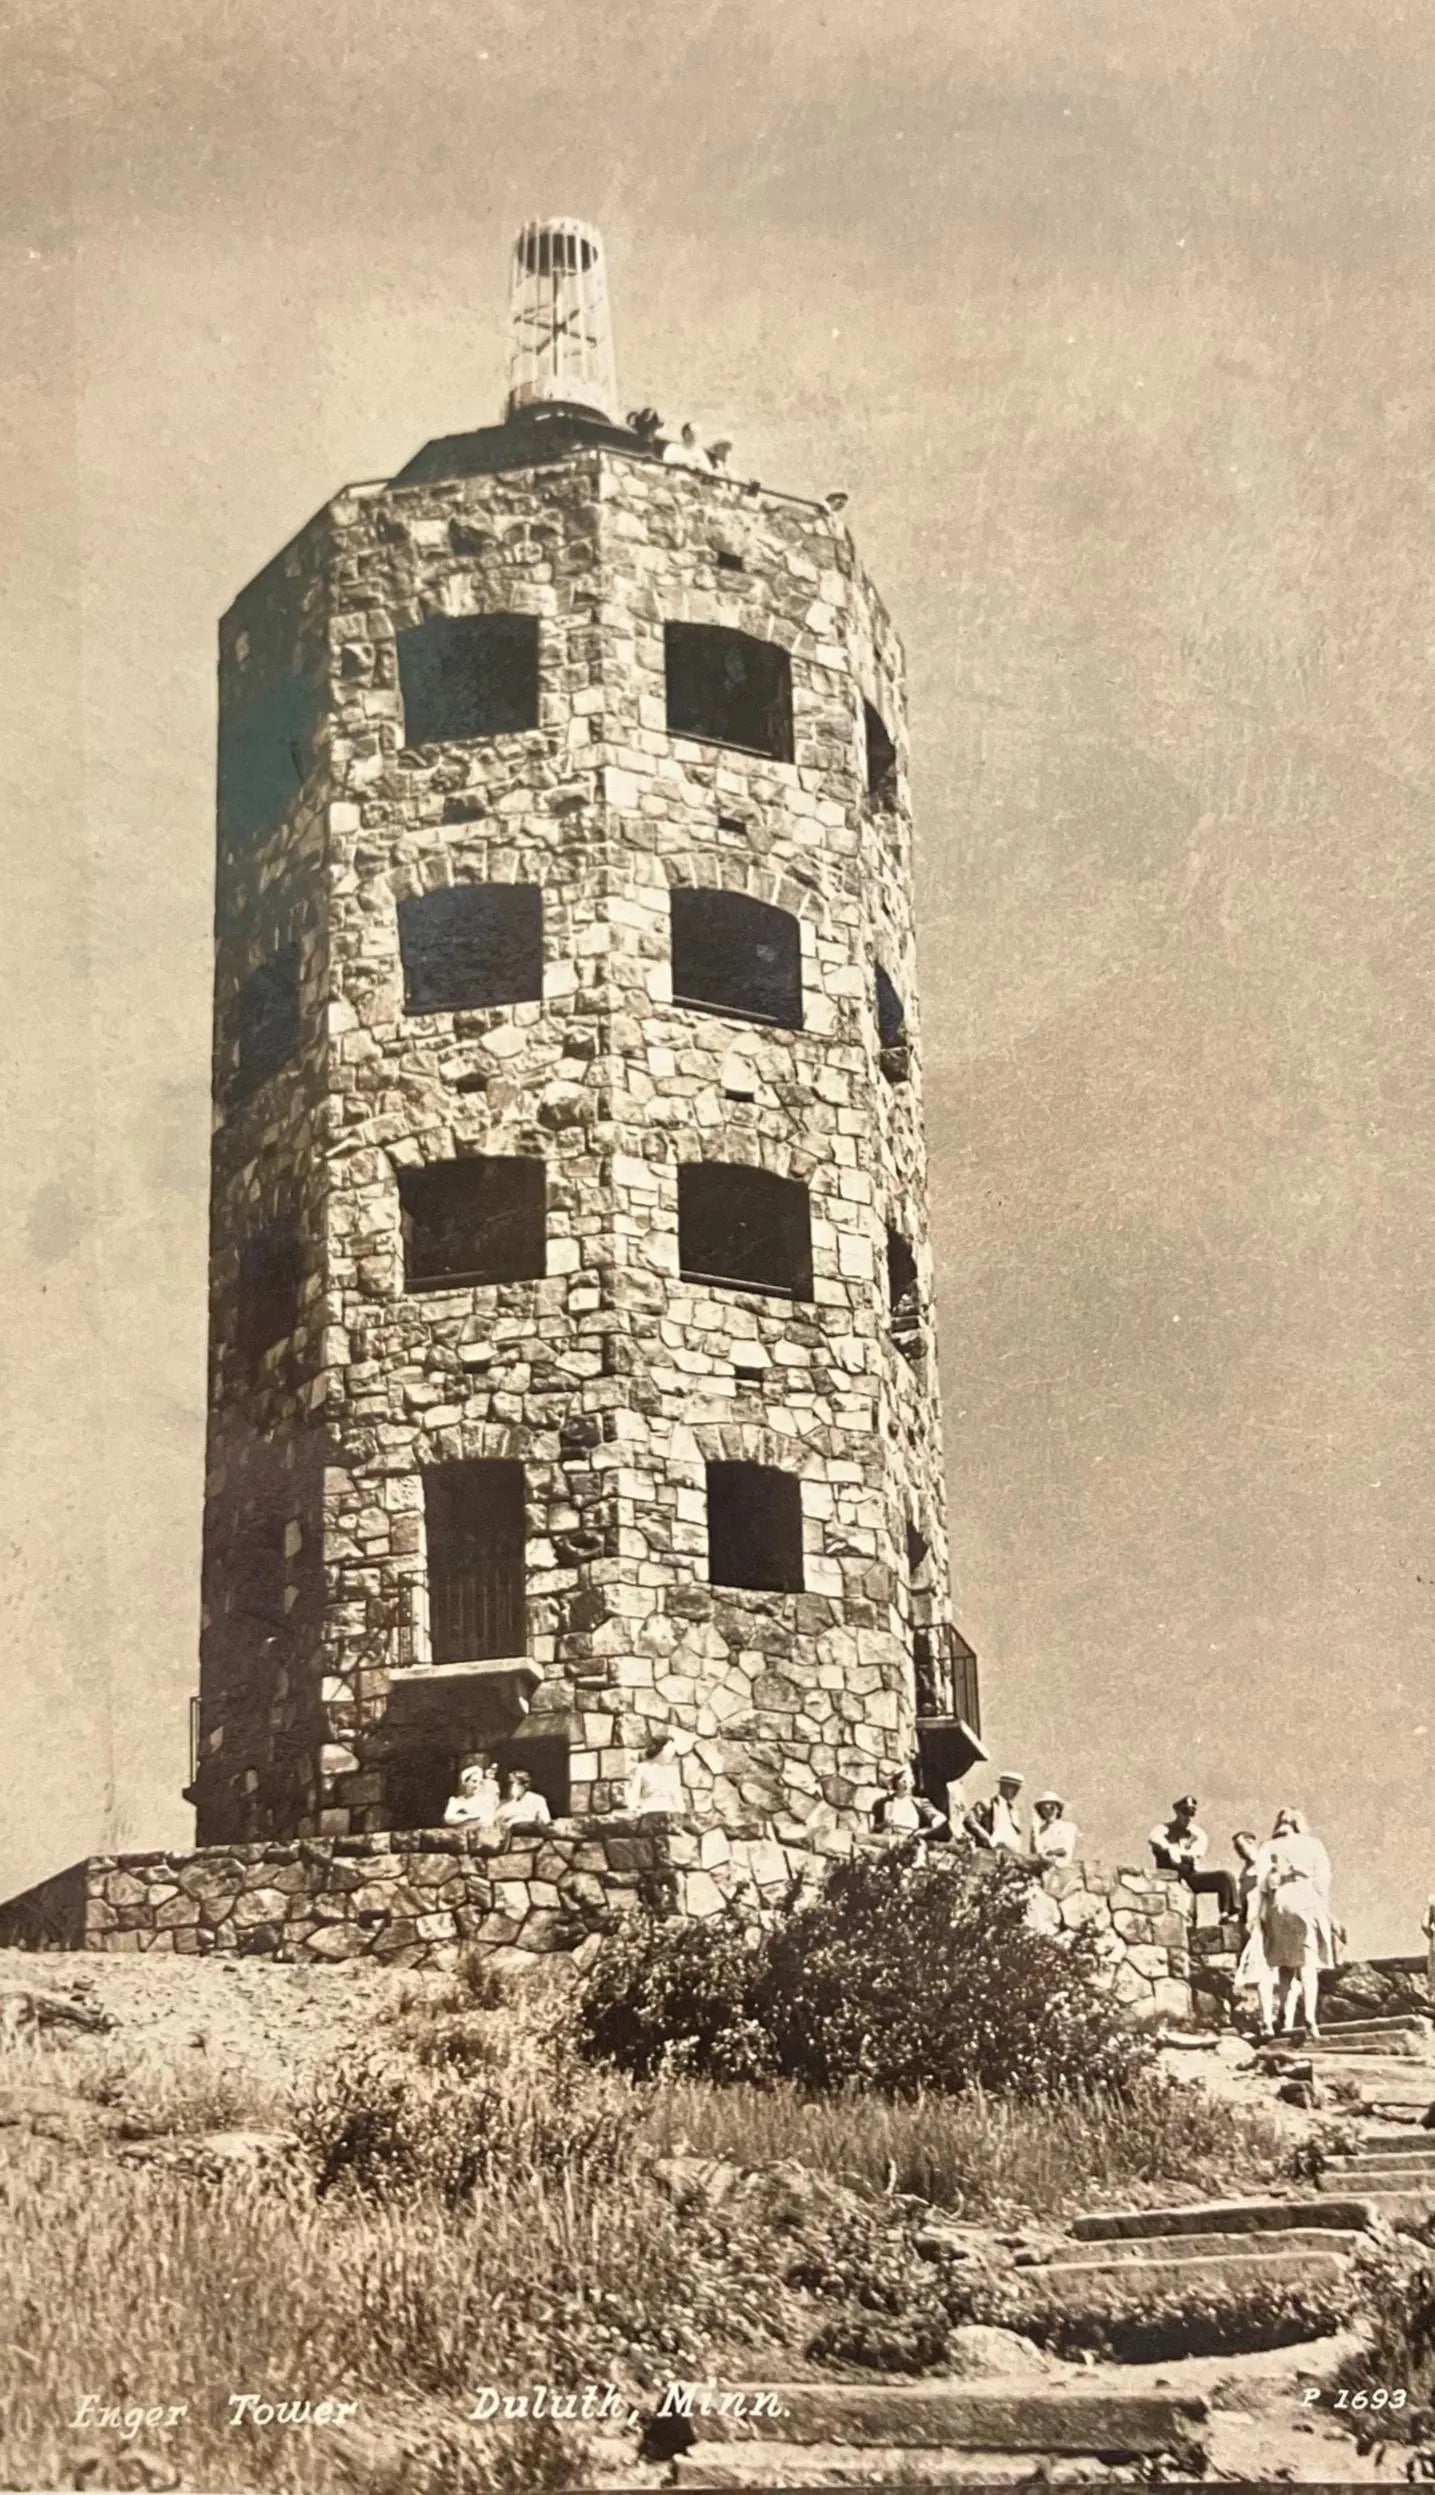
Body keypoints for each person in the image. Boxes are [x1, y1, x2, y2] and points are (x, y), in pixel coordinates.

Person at [1241, 1807, 1335, 2040]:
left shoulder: (1269, 1847)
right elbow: (1323, 1880)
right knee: (1308, 1964)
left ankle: (1285, 2017)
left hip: (1279, 1905)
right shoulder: (1313, 1844)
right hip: (1305, 1902)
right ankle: (1310, 2019)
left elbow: (1262, 1884)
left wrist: (1255, 1916)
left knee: (1284, 1965)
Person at [1148, 1796, 1237, 1918]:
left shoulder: (1196, 1833)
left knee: (1225, 1877)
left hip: (1189, 1875)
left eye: (1191, 1814)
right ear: (1177, 1812)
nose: (1187, 1818)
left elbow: (1195, 1854)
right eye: (1185, 1813)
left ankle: (1227, 1914)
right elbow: (1154, 1839)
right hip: (1169, 1874)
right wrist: (1171, 1849)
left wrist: (1178, 1852)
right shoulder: (1163, 1829)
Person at [872, 1764, 948, 1845]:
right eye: (903, 1780)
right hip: (891, 1841)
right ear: (896, 1782)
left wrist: (924, 1831)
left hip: (912, 1841)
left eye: (909, 1781)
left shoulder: (919, 1802)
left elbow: (940, 1818)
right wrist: (884, 1824)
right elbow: (875, 1828)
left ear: (912, 1783)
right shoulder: (885, 1803)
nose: (906, 1784)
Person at [624, 1734, 686, 1819]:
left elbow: (677, 1795)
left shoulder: (673, 1771)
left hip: (669, 1812)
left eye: (673, 1750)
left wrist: (681, 1811)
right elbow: (634, 1791)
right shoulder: (642, 1768)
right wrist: (634, 1809)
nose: (671, 1753)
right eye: (669, 1749)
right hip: (648, 1811)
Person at [968, 1771, 1026, 1853]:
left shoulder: (1013, 1812)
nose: (1016, 1792)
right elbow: (969, 1820)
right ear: (1003, 1786)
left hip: (1009, 1856)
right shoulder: (987, 1804)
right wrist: (987, 1838)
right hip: (989, 1852)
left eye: (1018, 1788)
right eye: (1013, 1787)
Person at [443, 1757, 500, 1830]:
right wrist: (470, 1817)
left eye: (479, 1782)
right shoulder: (455, 1801)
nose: (476, 1785)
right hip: (462, 1837)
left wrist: (462, 1819)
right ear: (465, 1782)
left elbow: (487, 1820)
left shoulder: (485, 1800)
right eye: (474, 1781)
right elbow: (448, 1818)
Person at [494, 1766, 551, 1833]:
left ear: (523, 1785)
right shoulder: (504, 1803)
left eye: (512, 1783)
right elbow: (495, 1821)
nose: (509, 1787)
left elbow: (545, 1821)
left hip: (530, 1838)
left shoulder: (537, 1800)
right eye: (507, 1784)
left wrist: (516, 1822)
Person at [1031, 1792, 1080, 1867]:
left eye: (1052, 1807)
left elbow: (1065, 1849)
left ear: (1058, 1809)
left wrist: (1047, 1853)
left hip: (1063, 1869)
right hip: (1044, 1871)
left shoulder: (1069, 1827)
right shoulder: (1038, 1831)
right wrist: (1035, 1832)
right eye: (1044, 1808)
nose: (1048, 1811)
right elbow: (1036, 1855)